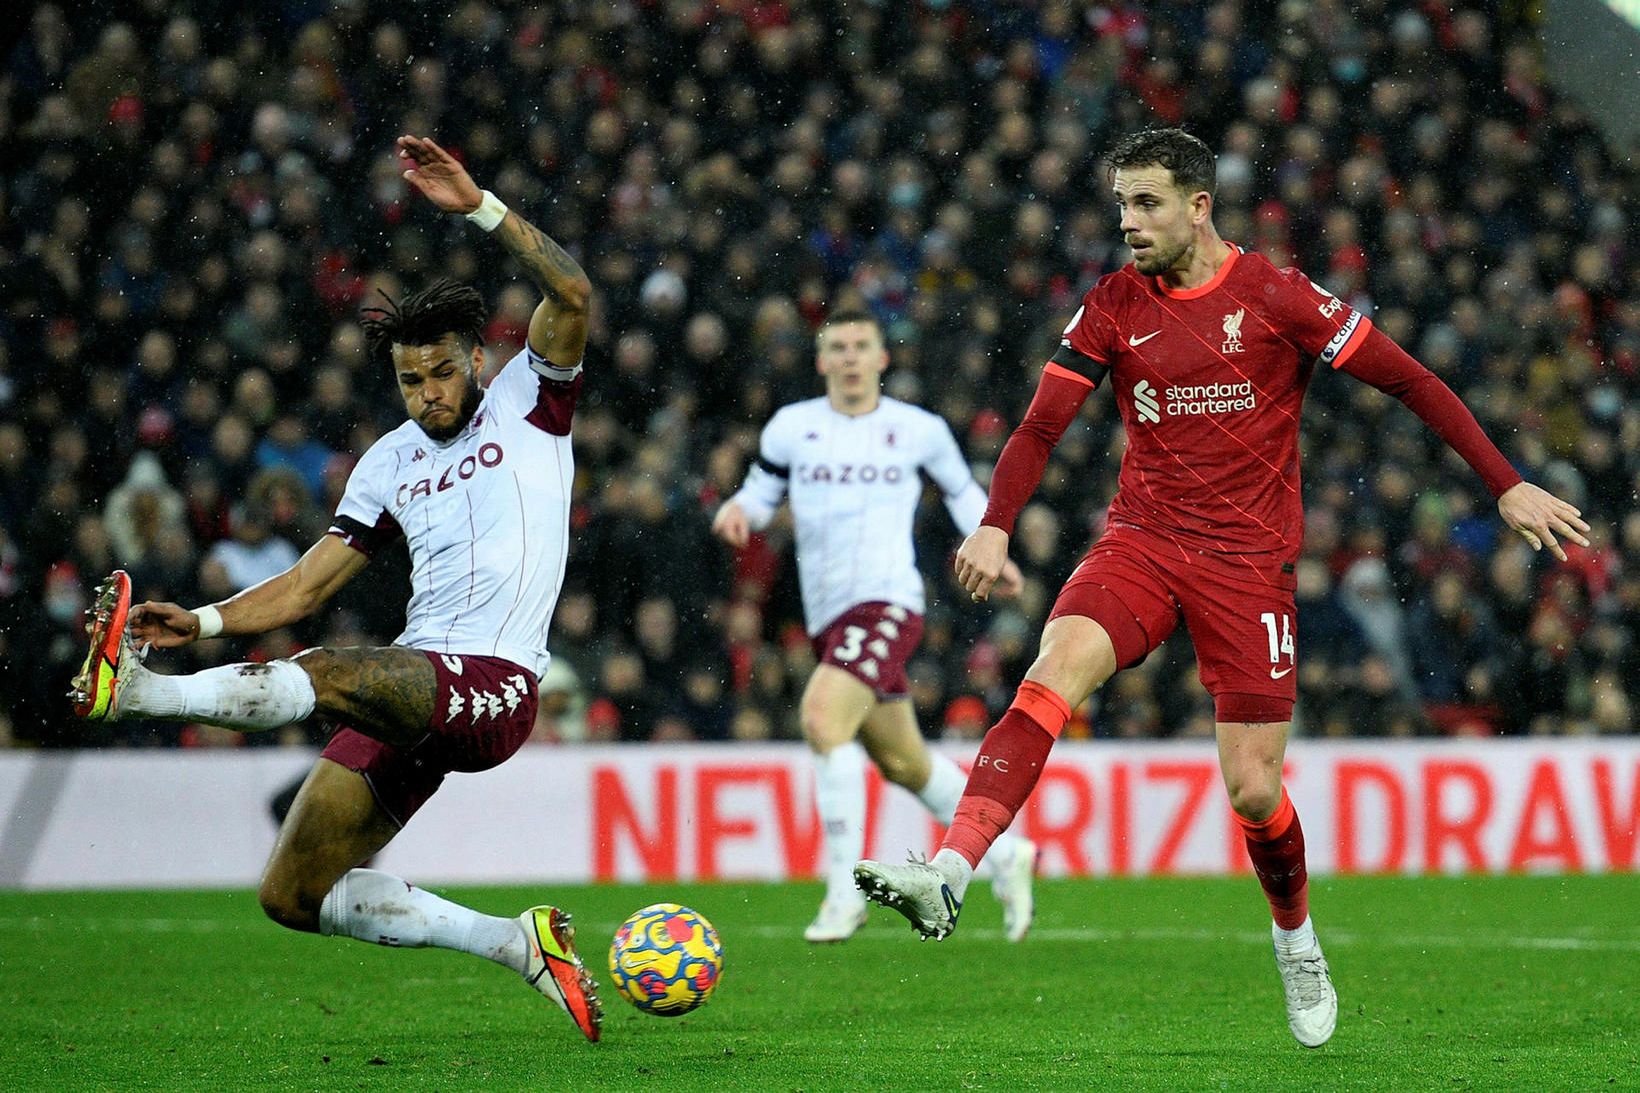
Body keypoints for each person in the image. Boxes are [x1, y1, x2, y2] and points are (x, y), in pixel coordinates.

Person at [855, 128, 1590, 1047]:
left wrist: (1504, 480)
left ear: (1200, 206)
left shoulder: (1275, 297)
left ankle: (1297, 941)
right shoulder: (1114, 306)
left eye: (1148, 203)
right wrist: (998, 517)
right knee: (1052, 668)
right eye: (1122, 204)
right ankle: (953, 869)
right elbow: (1041, 426)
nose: (1129, 223)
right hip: (1144, 541)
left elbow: (1410, 379)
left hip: (1248, 567)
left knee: (1252, 791)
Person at [69, 135, 605, 1042]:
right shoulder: (386, 464)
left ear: (477, 358)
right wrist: (199, 619)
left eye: (442, 371)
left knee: (329, 668)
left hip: (498, 681)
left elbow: (576, 293)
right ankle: (519, 946)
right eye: (409, 381)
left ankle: (140, 697)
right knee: (292, 892)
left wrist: (478, 206)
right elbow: (308, 582)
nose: (429, 393)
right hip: (417, 684)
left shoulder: (532, 402)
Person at [712, 308, 1039, 943]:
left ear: (883, 360)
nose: (853, 357)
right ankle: (1005, 856)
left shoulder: (916, 430)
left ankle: (842, 896)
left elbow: (965, 495)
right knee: (902, 762)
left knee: (821, 718)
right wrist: (738, 510)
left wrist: (994, 547)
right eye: (840, 347)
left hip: (889, 601)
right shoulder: (793, 427)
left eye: (864, 346)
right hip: (827, 614)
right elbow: (760, 492)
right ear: (822, 361)